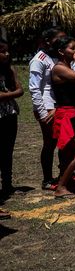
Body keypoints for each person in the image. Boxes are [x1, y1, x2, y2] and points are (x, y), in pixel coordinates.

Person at [51, 36, 75, 198]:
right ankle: (61, 186)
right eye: (71, 49)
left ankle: (68, 181)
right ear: (61, 52)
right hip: (68, 115)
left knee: (71, 152)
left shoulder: (67, 66)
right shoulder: (59, 68)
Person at [30, 27, 65, 190]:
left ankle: (61, 174)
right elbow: (34, 88)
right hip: (47, 107)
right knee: (49, 143)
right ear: (48, 41)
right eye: (59, 38)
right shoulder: (39, 59)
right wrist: (43, 112)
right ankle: (47, 179)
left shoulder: (53, 58)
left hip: (56, 106)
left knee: (59, 141)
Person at [0, 38, 23, 200]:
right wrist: (12, 94)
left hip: (10, 113)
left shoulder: (10, 70)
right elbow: (16, 91)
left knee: (8, 151)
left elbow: (20, 90)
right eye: (2, 51)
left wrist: (6, 95)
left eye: (8, 51)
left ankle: (7, 184)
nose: (6, 54)